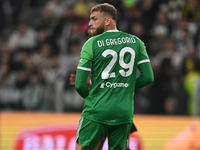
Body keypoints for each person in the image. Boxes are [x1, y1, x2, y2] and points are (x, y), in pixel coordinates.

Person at [75, 3, 154, 150]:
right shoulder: (136, 42)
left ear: (107, 21)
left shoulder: (91, 44)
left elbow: (79, 84)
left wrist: (93, 97)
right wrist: (125, 86)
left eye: (94, 19)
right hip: (123, 110)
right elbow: (148, 77)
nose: (90, 23)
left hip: (98, 108)